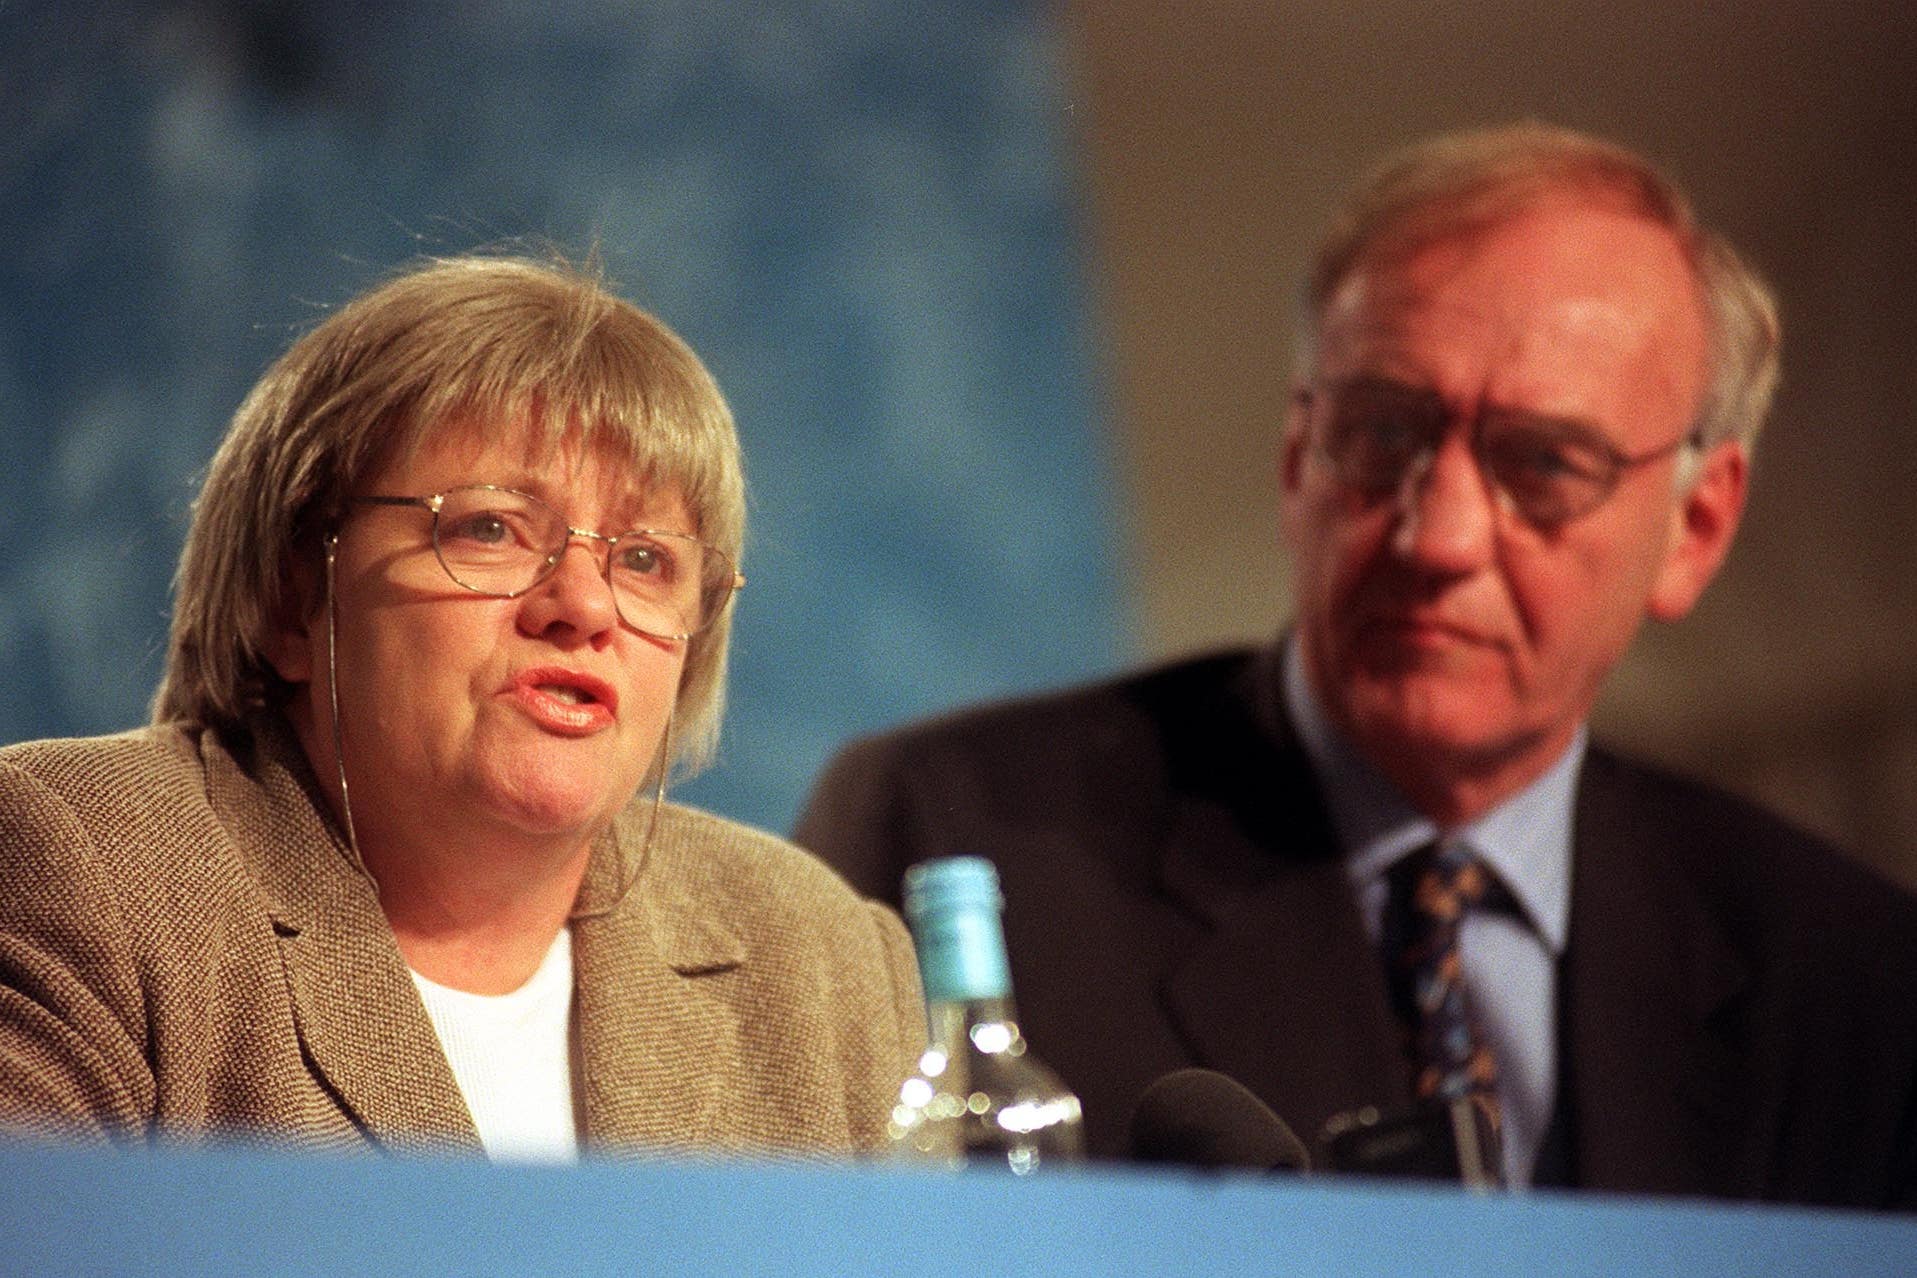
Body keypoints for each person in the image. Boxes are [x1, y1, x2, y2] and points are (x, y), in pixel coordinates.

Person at [796, 122, 1917, 1208]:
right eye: (1383, 434)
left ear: (1697, 527)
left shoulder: (1851, 981)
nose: (1441, 537)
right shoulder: (958, 838)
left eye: (1543, 463)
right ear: (1298, 457)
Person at [0, 251, 922, 1161]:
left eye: (644, 560)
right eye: (490, 528)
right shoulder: (83, 869)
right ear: (293, 600)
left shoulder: (823, 958)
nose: (586, 607)